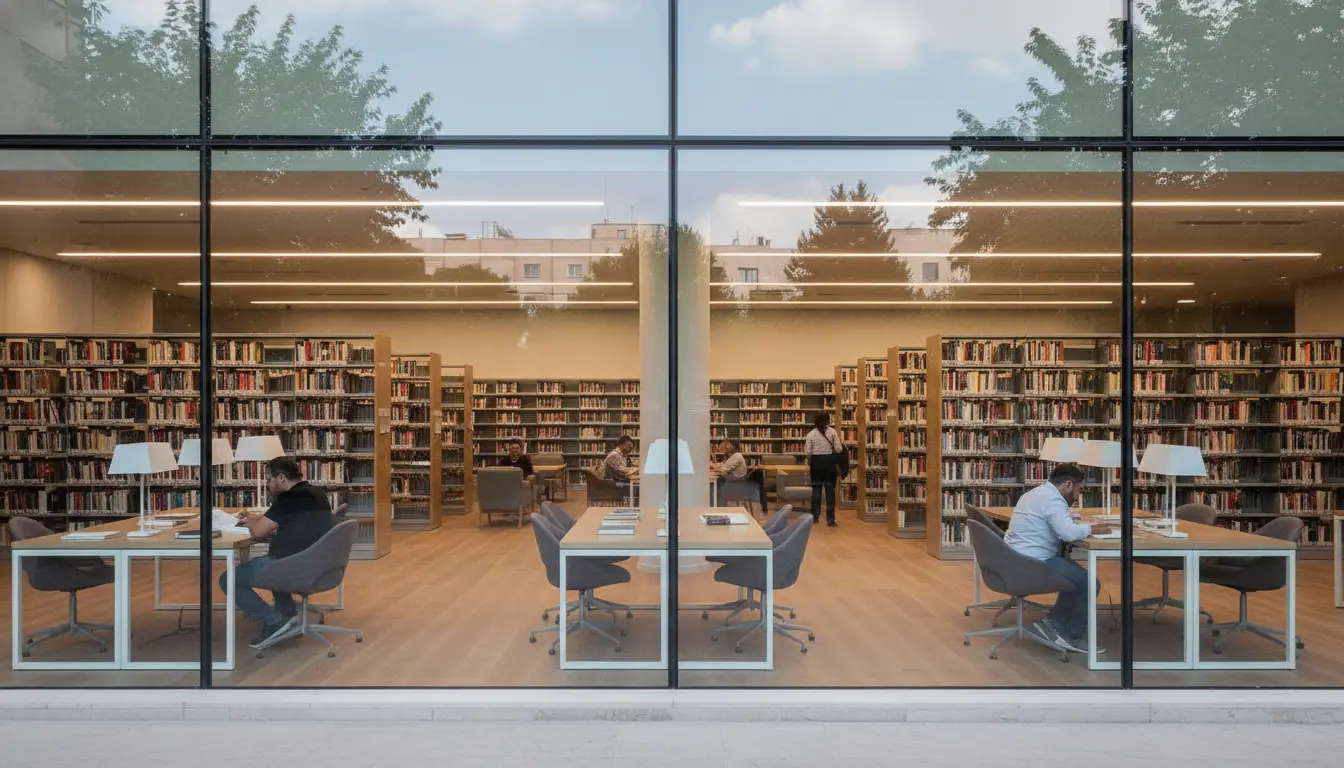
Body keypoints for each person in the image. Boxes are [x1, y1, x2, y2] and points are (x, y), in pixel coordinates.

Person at [225, 456, 335, 649]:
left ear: (281, 478)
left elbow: (258, 533)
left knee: (229, 579)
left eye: (269, 479)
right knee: (273, 562)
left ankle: (274, 622)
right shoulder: (315, 492)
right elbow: (285, 521)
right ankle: (288, 616)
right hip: (317, 563)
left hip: (291, 565)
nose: (267, 484)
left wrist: (250, 523)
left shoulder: (287, 499)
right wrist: (256, 519)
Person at [1003, 462, 1113, 655]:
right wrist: (1092, 528)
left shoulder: (1036, 493)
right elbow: (1068, 534)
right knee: (1089, 583)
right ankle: (1072, 636)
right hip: (1034, 562)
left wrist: (1068, 517)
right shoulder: (1053, 500)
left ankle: (1053, 625)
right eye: (1079, 490)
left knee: (1074, 574)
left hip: (1015, 558)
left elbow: (1053, 518)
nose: (1078, 496)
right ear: (1068, 484)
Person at [803, 412, 843, 527]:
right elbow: (839, 449)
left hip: (816, 465)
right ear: (828, 421)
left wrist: (812, 458)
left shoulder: (811, 434)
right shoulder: (832, 432)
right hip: (829, 464)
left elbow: (807, 452)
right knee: (830, 492)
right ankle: (830, 520)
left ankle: (814, 517)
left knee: (816, 490)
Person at [711, 439, 768, 512]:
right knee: (717, 484)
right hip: (739, 485)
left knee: (715, 487)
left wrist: (713, 466)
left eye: (727, 445)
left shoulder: (736, 456)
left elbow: (722, 471)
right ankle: (719, 509)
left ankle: (718, 510)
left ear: (733, 446)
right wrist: (718, 466)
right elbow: (725, 467)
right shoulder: (735, 456)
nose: (725, 447)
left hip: (737, 487)